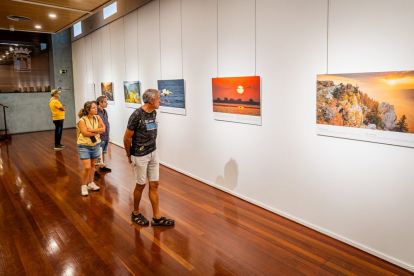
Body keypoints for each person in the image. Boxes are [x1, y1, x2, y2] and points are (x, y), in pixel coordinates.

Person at [123, 89, 174, 226]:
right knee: (141, 185)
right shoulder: (136, 115)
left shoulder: (154, 112)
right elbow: (127, 139)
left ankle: (157, 217)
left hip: (153, 152)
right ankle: (135, 213)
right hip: (140, 155)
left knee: (154, 184)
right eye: (158, 99)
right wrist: (129, 155)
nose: (160, 101)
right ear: (151, 101)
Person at [77, 101, 105, 196]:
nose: (95, 109)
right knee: (87, 167)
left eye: (95, 107)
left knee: (93, 165)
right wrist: (97, 131)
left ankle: (91, 183)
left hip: (95, 144)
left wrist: (92, 130)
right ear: (88, 110)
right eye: (93, 108)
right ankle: (84, 186)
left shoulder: (98, 117)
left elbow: (103, 129)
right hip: (84, 145)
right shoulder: (82, 120)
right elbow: (85, 133)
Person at [95, 96, 112, 179]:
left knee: (103, 152)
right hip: (99, 136)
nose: (107, 103)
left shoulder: (104, 111)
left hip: (105, 136)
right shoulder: (95, 112)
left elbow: (106, 123)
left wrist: (108, 134)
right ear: (100, 103)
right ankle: (95, 170)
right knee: (97, 153)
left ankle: (101, 167)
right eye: (105, 102)